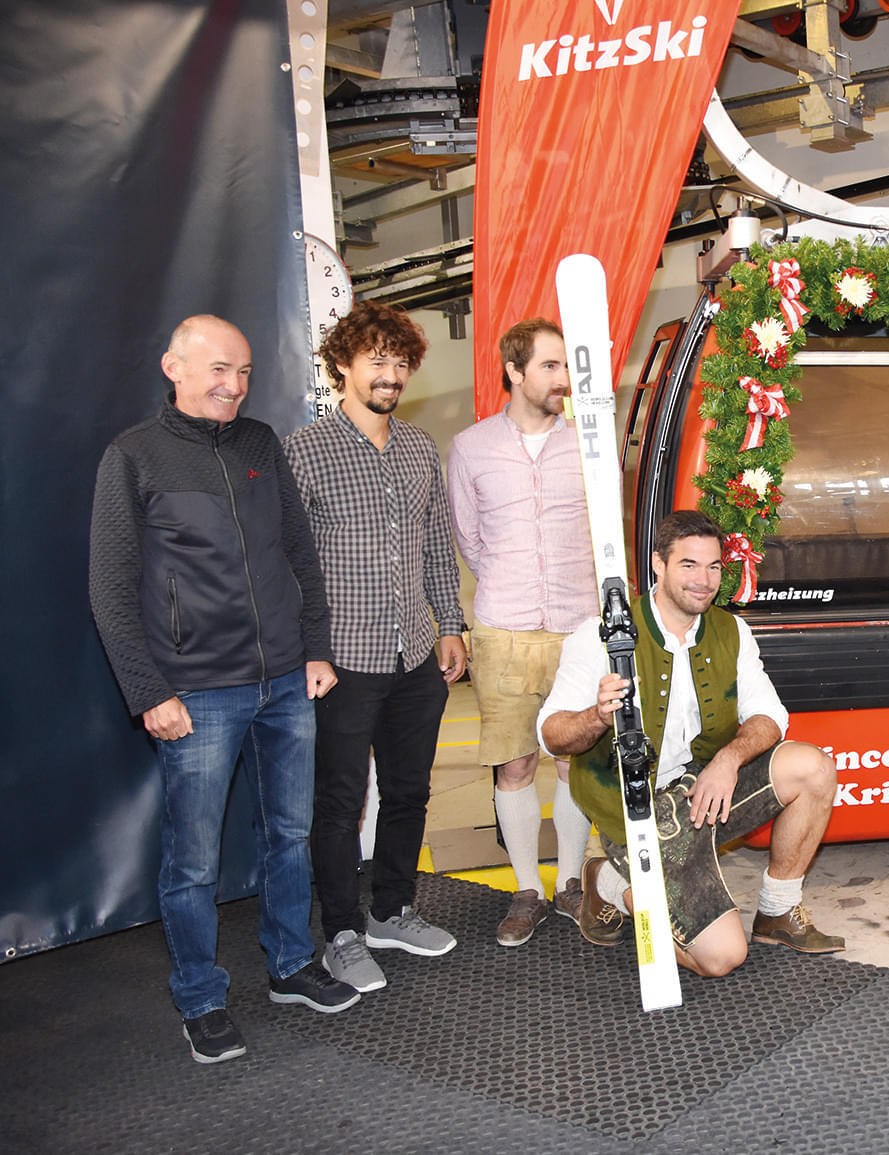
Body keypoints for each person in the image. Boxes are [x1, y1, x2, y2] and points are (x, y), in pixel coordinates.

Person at [89, 315, 359, 1064]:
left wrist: (316, 650)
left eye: (242, 371)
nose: (233, 385)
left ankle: (290, 963)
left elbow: (298, 551)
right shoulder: (133, 456)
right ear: (173, 365)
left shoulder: (259, 443)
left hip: (284, 682)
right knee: (193, 860)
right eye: (217, 370)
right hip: (196, 692)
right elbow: (109, 587)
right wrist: (149, 690)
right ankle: (202, 997)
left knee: (291, 835)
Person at [537, 510, 844, 976]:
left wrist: (729, 759)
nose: (704, 580)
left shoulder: (731, 631)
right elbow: (551, 734)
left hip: (705, 790)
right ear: (657, 566)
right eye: (688, 565)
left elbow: (770, 717)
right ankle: (612, 882)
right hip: (636, 809)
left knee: (814, 768)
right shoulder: (599, 636)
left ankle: (778, 909)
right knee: (722, 959)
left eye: (714, 567)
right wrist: (598, 716)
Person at [284, 301, 468, 993]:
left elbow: (435, 549)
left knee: (410, 790)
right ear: (343, 365)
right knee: (337, 802)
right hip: (340, 661)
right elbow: (290, 562)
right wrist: (308, 651)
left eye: (399, 362)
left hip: (414, 654)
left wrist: (450, 625)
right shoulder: (305, 451)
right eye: (376, 360)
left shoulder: (421, 449)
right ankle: (340, 930)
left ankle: (392, 909)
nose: (389, 374)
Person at [448, 318, 600, 947]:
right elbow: (468, 538)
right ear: (514, 371)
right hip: (504, 630)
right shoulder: (471, 447)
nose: (563, 379)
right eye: (549, 367)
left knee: (574, 763)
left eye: (567, 367)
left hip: (579, 629)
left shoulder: (590, 445)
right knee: (514, 765)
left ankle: (568, 884)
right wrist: (512, 587)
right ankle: (525, 890)